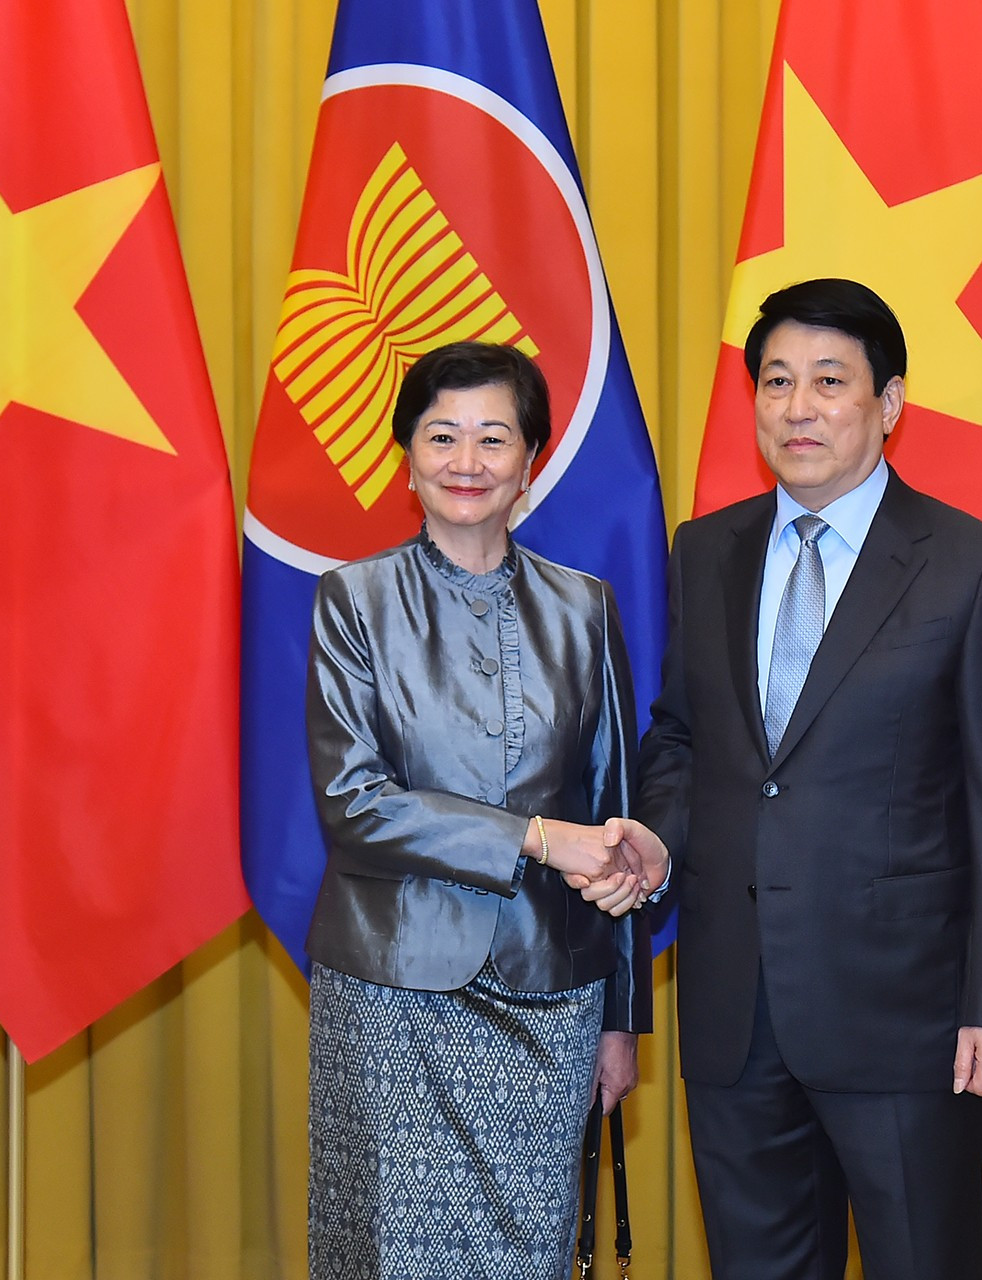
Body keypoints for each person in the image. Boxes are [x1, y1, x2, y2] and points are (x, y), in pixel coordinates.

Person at [636, 278, 982, 1279]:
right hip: (736, 1009)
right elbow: (684, 739)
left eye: (829, 380)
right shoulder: (706, 552)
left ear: (890, 404)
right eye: (776, 381)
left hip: (906, 1016)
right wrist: (656, 833)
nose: (798, 406)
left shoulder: (969, 563)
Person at [304, 341, 670, 1280]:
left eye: (493, 439)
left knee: (531, 1256)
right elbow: (356, 806)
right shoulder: (353, 601)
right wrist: (540, 839)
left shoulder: (585, 608)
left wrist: (621, 1020)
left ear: (530, 463)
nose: (467, 463)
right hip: (392, 989)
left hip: (553, 995)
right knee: (392, 1257)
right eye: (442, 437)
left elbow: (616, 823)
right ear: (407, 459)